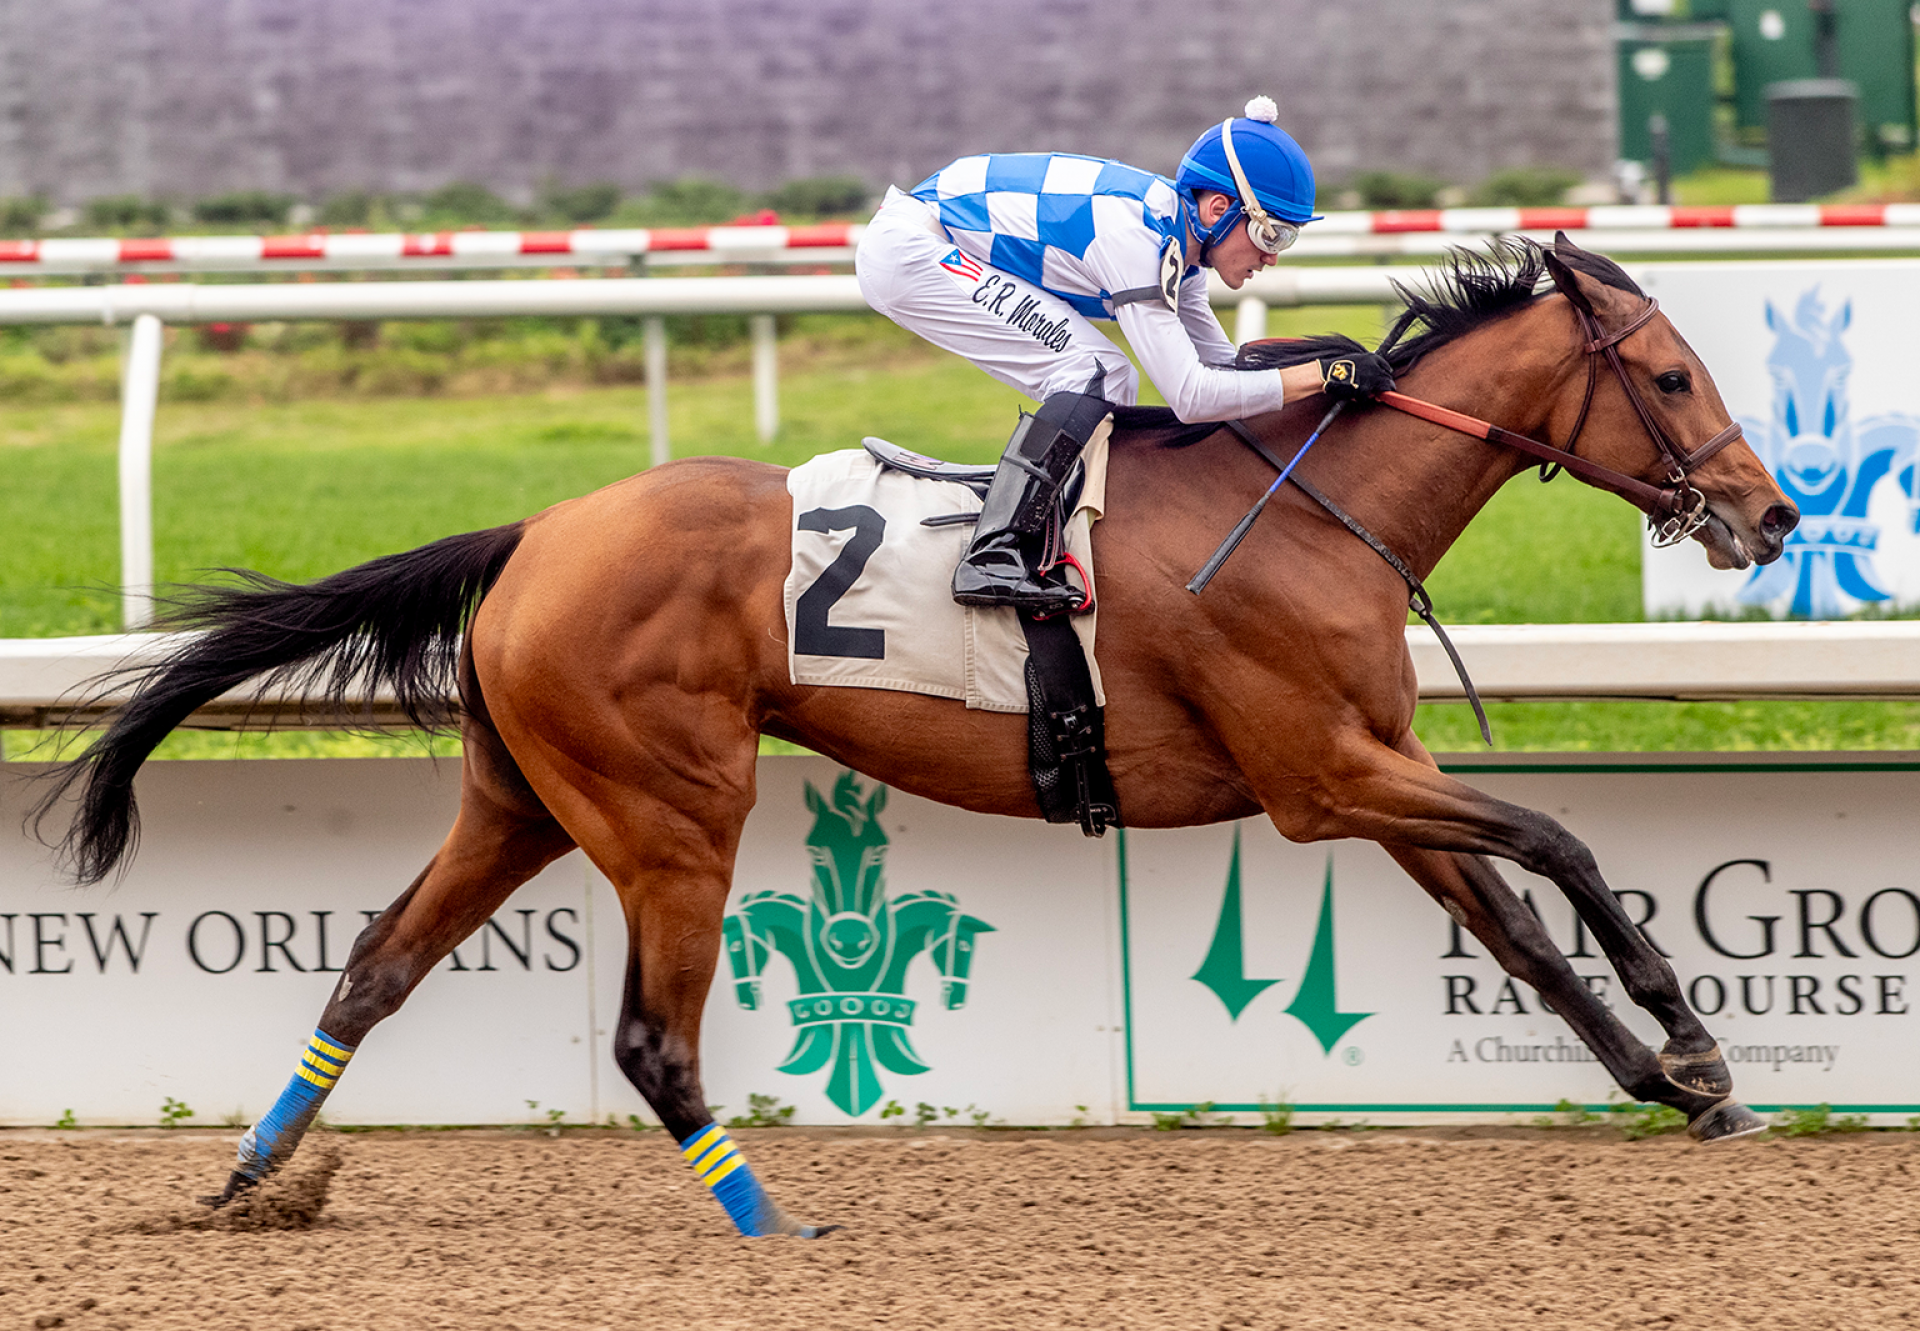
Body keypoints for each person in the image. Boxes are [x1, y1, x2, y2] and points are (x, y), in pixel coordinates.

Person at [856, 96, 1397, 614]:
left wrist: (1322, 378)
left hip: (930, 232)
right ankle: (994, 552)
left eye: (1286, 240)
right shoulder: (1140, 242)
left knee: (1106, 376)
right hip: (912, 250)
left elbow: (1222, 368)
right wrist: (1321, 374)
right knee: (1096, 371)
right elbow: (1191, 396)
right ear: (1218, 208)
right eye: (1270, 234)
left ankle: (1043, 530)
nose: (1271, 258)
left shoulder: (1179, 247)